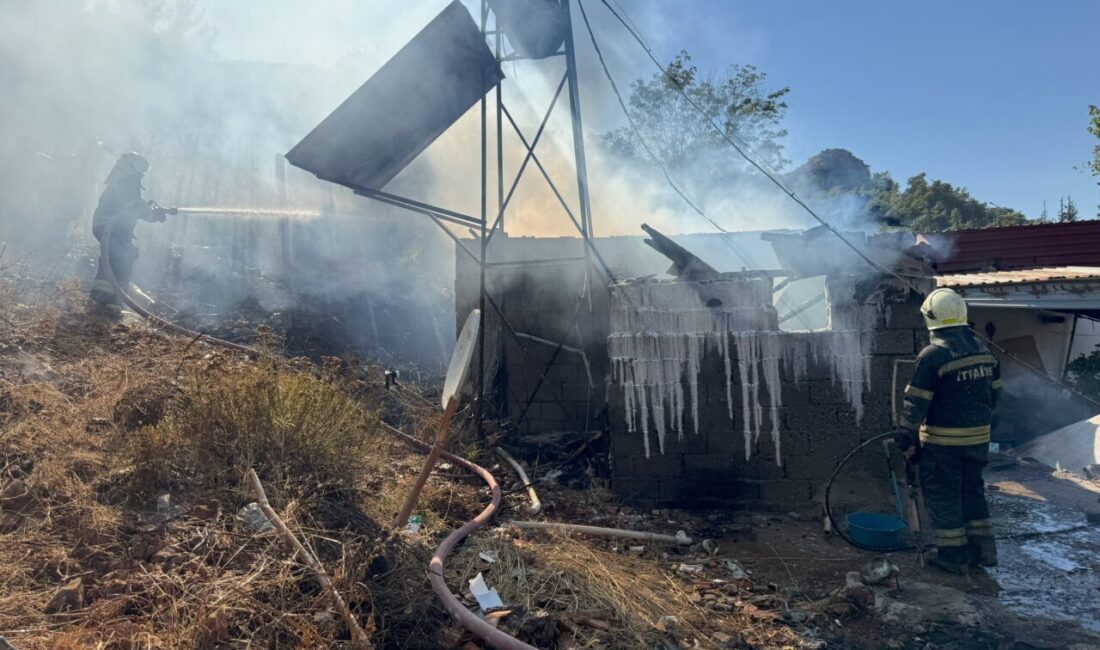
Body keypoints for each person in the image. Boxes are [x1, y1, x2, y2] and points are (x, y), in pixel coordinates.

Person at [900, 287, 1001, 575]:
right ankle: (982, 551)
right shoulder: (984, 350)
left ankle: (953, 556)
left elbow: (916, 402)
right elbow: (995, 397)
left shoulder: (932, 356)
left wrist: (905, 434)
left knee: (943, 495)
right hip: (978, 440)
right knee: (972, 492)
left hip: (942, 443)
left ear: (931, 318)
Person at [89, 153, 175, 308]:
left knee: (121, 256)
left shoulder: (121, 182)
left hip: (112, 227)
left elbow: (133, 207)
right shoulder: (127, 182)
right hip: (112, 227)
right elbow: (135, 207)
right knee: (118, 257)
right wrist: (155, 214)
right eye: (141, 170)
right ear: (132, 167)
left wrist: (155, 212)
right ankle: (105, 300)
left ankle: (111, 299)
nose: (142, 174)